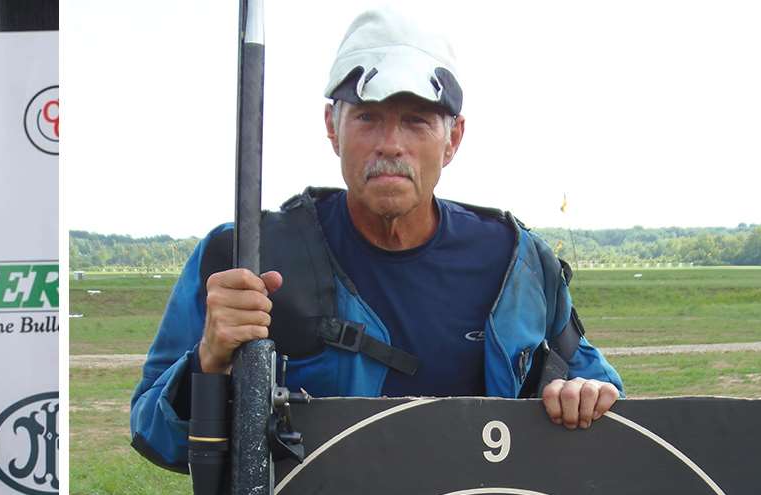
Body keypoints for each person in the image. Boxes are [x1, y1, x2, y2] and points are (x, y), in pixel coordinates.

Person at [130, 8, 623, 470]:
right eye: (368, 117)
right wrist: (210, 361)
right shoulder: (241, 258)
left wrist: (583, 393)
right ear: (332, 127)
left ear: (453, 138)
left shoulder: (518, 261)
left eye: (416, 120)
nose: (391, 144)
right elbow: (154, 432)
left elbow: (594, 385)